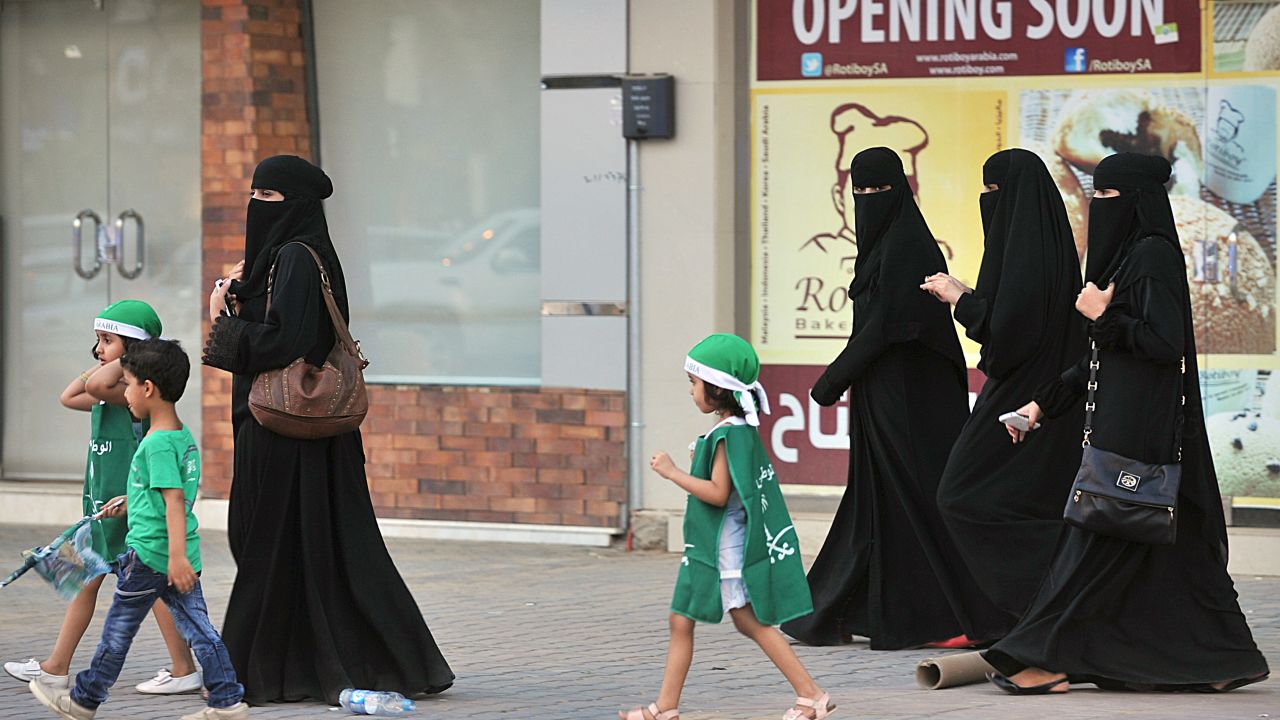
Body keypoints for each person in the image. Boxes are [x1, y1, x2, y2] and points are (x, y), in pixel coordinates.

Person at [986, 152, 1270, 694]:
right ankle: (1222, 658)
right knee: (1178, 557)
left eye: (1109, 198)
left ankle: (1042, 657)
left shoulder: (1153, 255)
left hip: (1142, 432)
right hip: (1132, 427)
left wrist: (1102, 315)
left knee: (1094, 544)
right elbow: (1105, 356)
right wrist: (1042, 406)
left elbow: (1162, 343)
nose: (1099, 207)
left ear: (1137, 200)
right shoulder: (1127, 259)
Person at [202, 155, 453, 704]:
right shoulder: (291, 258)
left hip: (285, 430)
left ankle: (262, 671)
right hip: (297, 431)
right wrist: (243, 296)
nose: (256, 207)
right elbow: (289, 324)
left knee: (271, 542)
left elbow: (288, 340)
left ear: (295, 205)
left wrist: (225, 318)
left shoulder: (295, 256)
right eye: (255, 196)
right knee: (315, 547)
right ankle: (310, 665)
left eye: (268, 199)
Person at [781, 147, 1006, 650]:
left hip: (912, 401)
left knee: (914, 502)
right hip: (887, 394)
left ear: (898, 190)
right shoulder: (887, 243)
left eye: (876, 191)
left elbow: (887, 325)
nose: (866, 201)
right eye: (858, 192)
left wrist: (833, 378)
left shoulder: (906, 244)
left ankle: (949, 617)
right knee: (879, 504)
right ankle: (847, 611)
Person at [28, 338, 249, 720]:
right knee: (202, 633)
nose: (125, 392)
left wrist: (174, 558)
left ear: (147, 389)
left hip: (152, 557)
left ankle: (83, 701)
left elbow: (175, 502)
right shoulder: (179, 437)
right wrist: (131, 504)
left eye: (129, 384)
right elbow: (165, 494)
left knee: (116, 634)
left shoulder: (156, 444)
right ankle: (228, 701)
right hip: (176, 557)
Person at [620, 333, 832, 720]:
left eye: (694, 383)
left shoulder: (729, 434)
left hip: (723, 552)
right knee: (695, 619)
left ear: (717, 389)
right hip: (718, 550)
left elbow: (718, 494)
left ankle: (810, 693)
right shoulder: (735, 430)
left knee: (729, 622)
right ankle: (667, 707)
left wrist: (672, 473)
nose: (690, 391)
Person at [920, 148, 1087, 626]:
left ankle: (1044, 603)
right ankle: (1039, 613)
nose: (988, 201)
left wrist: (961, 300)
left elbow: (1010, 335)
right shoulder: (1042, 246)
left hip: (1023, 398)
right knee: (1025, 502)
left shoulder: (1028, 255)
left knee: (961, 494)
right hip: (1040, 396)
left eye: (996, 192)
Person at [5, 301, 201, 696]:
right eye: (97, 341)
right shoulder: (113, 394)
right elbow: (70, 394)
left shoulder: (131, 397)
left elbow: (94, 386)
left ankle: (183, 668)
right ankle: (57, 667)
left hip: (125, 508)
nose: (98, 350)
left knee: (145, 584)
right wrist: (109, 353)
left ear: (132, 352)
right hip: (99, 505)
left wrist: (129, 356)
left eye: (106, 341)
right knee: (93, 580)